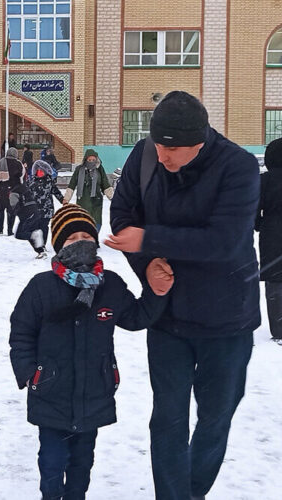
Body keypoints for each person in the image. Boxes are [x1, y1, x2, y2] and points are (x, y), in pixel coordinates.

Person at [107, 90, 260, 500]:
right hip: (168, 316)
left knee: (215, 417)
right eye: (158, 146)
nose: (163, 157)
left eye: (173, 151)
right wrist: (147, 265)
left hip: (226, 319)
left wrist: (151, 239)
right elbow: (123, 217)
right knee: (168, 419)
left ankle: (192, 491)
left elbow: (226, 241)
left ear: (201, 142)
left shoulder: (238, 167)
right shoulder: (144, 156)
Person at [10, 204, 172, 500]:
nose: (80, 241)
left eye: (86, 235)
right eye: (72, 239)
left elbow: (136, 317)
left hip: (94, 392)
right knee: (51, 462)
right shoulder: (42, 287)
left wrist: (156, 291)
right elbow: (21, 332)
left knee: (82, 464)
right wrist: (30, 373)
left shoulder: (109, 285)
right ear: (59, 245)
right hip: (50, 392)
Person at [256, 138, 282, 345]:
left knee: (275, 281)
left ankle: (279, 328)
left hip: (272, 234)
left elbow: (253, 208)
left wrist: (260, 224)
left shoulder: (264, 180)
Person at [65, 150, 112, 231]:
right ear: (85, 159)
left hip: (96, 203)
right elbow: (72, 184)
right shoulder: (79, 169)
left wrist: (112, 197)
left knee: (95, 226)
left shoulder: (99, 169)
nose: (91, 162)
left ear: (96, 160)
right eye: (89, 160)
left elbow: (105, 184)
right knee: (82, 227)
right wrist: (66, 199)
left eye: (93, 160)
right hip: (82, 202)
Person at [9, 172, 47, 258]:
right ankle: (41, 252)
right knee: (30, 232)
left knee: (20, 234)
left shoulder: (14, 191)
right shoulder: (24, 187)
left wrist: (11, 215)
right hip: (35, 211)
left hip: (26, 214)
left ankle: (35, 237)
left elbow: (13, 206)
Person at [27, 159, 65, 246]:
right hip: (35, 209)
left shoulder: (49, 182)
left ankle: (43, 244)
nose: (40, 173)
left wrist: (62, 200)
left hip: (47, 209)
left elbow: (56, 192)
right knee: (36, 226)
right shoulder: (32, 182)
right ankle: (37, 243)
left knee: (44, 226)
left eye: (41, 171)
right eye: (38, 171)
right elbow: (26, 193)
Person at [0, 148, 22, 235]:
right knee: (11, 210)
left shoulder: (1, 162)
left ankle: (0, 229)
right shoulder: (18, 163)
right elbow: (21, 176)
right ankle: (10, 230)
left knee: (0, 210)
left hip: (1, 190)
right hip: (13, 191)